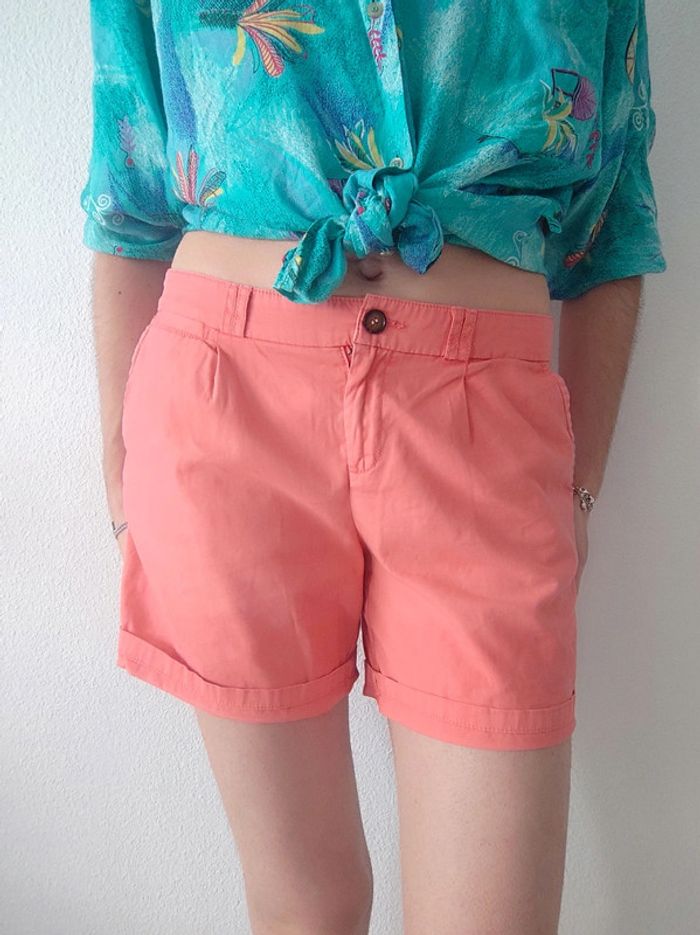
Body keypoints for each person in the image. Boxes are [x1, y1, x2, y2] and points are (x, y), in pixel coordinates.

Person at [80, 2, 666, 932]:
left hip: (484, 413)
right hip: (226, 404)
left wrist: (580, 486)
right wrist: (120, 474)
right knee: (305, 907)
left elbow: (613, 226)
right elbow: (128, 195)